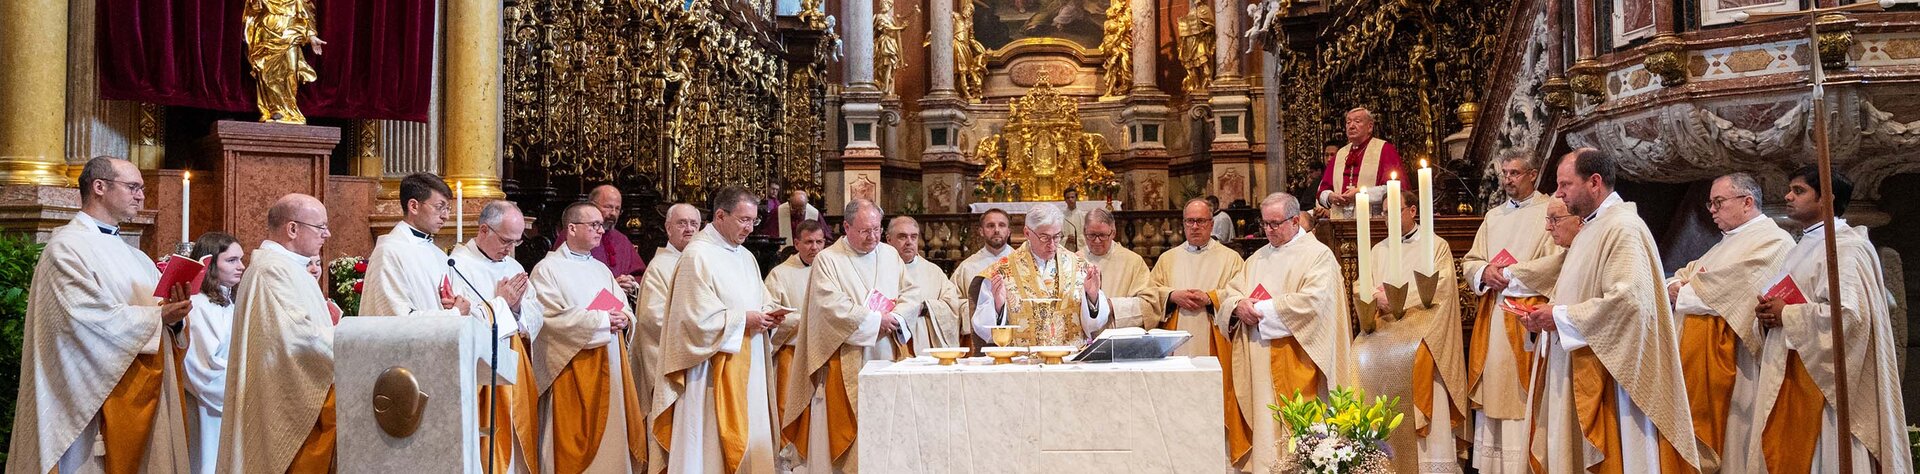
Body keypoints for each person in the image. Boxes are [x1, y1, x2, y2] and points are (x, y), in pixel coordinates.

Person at [1507, 148, 1704, 473]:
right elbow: (1571, 287)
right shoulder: (1594, 227)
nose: (1558, 193)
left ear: (1595, 182)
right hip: (1583, 361)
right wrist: (1543, 317)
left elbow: (1628, 302)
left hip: (1614, 381)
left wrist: (1557, 317)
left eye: (1566, 184)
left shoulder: (1623, 228)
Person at [6, 156, 192, 474]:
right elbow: (81, 321)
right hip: (89, 406)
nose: (141, 196)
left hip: (139, 397)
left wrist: (174, 320)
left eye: (142, 189)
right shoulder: (65, 249)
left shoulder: (139, 258)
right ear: (99, 187)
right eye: (133, 187)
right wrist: (154, 320)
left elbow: (159, 320)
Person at [1748, 167, 1910, 473]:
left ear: (1828, 199)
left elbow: (1849, 317)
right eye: (1790, 189)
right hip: (1796, 371)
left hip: (1826, 386)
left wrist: (1787, 313)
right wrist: (1768, 314)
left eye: (1799, 191)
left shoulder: (1845, 248)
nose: (1788, 196)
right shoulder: (1805, 246)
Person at [1657, 173, 1792, 472]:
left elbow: (1740, 288)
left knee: (1735, 441)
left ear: (1747, 202)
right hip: (1701, 358)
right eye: (1710, 203)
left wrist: (1685, 291)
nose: (1712, 210)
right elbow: (1684, 273)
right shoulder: (1726, 243)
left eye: (1718, 202)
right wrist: (1673, 287)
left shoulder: (1773, 240)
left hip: (1737, 361)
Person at [1215, 192, 1353, 471]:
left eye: (1275, 223)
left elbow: (1314, 303)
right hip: (1259, 365)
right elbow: (1231, 292)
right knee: (1266, 437)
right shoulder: (1257, 258)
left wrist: (1259, 311)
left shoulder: (1318, 256)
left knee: (1300, 438)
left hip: (1298, 361)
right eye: (1264, 224)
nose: (1268, 230)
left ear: (1294, 220)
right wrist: (1237, 305)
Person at [652, 186, 783, 474]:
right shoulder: (697, 256)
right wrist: (743, 320)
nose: (749, 227)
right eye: (743, 219)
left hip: (750, 364)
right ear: (720, 215)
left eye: (753, 220)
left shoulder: (746, 257)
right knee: (707, 446)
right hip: (708, 371)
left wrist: (770, 312)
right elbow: (693, 320)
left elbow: (759, 298)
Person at [780, 200, 916, 472]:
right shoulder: (828, 260)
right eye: (865, 230)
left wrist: (898, 317)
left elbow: (910, 293)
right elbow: (830, 307)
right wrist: (876, 320)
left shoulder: (889, 255)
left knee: (887, 426)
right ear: (846, 227)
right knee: (846, 431)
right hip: (845, 359)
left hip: (887, 353)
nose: (873, 237)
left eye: (877, 229)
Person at [218, 193, 337, 473]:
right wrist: (352, 342)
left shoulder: (288, 267)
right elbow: (298, 338)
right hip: (285, 407)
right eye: (321, 227)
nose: (327, 234)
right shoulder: (271, 270)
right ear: (293, 229)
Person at [1457, 153, 1559, 473]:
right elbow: (1470, 260)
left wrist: (1511, 276)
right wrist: (1485, 272)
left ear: (1533, 174)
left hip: (1527, 314)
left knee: (1522, 397)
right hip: (1495, 317)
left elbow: (1557, 261)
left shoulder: (1550, 212)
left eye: (1515, 173)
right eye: (1505, 173)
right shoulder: (1493, 217)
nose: (1508, 179)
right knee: (1494, 396)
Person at [1352, 191, 1468, 473]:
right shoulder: (1378, 250)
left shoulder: (1436, 246)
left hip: (1424, 330)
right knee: (1357, 357)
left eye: (1393, 211)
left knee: (1419, 357)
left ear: (1413, 211)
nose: (1386, 219)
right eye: (1383, 213)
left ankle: (1428, 462)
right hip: (1383, 330)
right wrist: (1372, 296)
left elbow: (1440, 289)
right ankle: (1380, 458)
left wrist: (1394, 299)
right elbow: (1360, 285)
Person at [530, 202, 646, 472]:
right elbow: (549, 320)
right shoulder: (548, 270)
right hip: (572, 368)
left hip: (611, 363)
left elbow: (624, 309)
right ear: (571, 228)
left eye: (601, 225)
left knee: (613, 443)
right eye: (593, 225)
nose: (601, 231)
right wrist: (602, 320)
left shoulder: (600, 269)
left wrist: (625, 319)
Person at [449, 200, 542, 474]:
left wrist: (516, 309)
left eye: (516, 242)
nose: (510, 249)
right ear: (484, 230)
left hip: (514, 366)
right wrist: (501, 304)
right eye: (505, 240)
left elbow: (537, 313)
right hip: (480, 376)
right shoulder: (457, 266)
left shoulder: (513, 266)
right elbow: (460, 322)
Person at [970, 203, 1110, 346]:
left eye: (1056, 236)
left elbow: (1095, 325)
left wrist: (1092, 298)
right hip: (1022, 362)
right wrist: (998, 307)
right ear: (1027, 233)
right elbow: (984, 331)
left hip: (1070, 361)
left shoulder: (1081, 267)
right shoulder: (1000, 272)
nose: (1052, 244)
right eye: (1044, 237)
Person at [632, 203, 701, 468]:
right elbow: (653, 318)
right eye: (682, 223)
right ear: (668, 227)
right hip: (674, 361)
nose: (689, 229)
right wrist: (698, 335)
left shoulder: (698, 261)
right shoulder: (660, 266)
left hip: (696, 361)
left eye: (694, 224)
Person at [359, 172, 471, 318]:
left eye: (447, 208)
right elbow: (396, 317)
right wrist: (454, 314)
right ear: (413, 206)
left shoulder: (440, 255)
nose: (446, 216)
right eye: (439, 207)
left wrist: (455, 303)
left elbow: (458, 302)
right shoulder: (389, 252)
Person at [763, 218, 826, 468]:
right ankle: (790, 457)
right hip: (792, 351)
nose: (814, 247)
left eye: (819, 241)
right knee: (788, 405)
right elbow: (769, 311)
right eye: (808, 242)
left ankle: (816, 454)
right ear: (796, 243)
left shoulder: (831, 270)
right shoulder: (780, 274)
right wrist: (807, 321)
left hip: (823, 351)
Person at [1151, 198, 1245, 356]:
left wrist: (1210, 298)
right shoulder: (1167, 258)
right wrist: (1172, 296)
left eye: (1201, 221)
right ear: (1183, 224)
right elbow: (1150, 293)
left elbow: (1240, 295)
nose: (1195, 227)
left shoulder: (1231, 258)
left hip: (1215, 338)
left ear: (1212, 224)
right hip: (1175, 339)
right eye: (1190, 221)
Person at [183, 232, 244, 474]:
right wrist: (244, 387)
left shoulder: (229, 301)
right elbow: (202, 368)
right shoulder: (198, 306)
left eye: (241, 259)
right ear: (209, 264)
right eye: (231, 260)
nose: (241, 266)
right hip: (209, 406)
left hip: (229, 404)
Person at [889, 216, 969, 348]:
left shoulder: (934, 272)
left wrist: (926, 308)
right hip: (889, 342)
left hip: (924, 344)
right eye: (902, 237)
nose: (909, 242)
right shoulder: (879, 269)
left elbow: (952, 304)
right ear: (889, 240)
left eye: (913, 237)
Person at [1078, 208, 1164, 330]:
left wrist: (1111, 305)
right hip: (1082, 341)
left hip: (1119, 341)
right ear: (1084, 231)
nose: (1097, 241)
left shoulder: (1133, 261)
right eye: (1091, 235)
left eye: (1102, 235)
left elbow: (1150, 306)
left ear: (1113, 233)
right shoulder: (1074, 261)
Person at [550, 185, 648, 285]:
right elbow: (568, 278)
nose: (613, 213)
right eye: (608, 207)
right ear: (592, 205)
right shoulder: (574, 235)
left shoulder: (622, 240)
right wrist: (612, 287)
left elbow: (640, 275)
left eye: (617, 209)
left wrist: (631, 283)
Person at [1317, 108, 1407, 216]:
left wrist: (1362, 193)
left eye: (1357, 121)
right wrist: (1330, 197)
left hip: (1374, 222)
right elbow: (1322, 191)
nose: (1351, 126)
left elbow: (1397, 188)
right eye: (1348, 122)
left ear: (1370, 126)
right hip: (1339, 224)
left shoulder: (1385, 150)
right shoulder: (1340, 154)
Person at [950, 208, 1015, 343]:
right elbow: (951, 302)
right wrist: (978, 307)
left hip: (1016, 338)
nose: (996, 230)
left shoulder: (1022, 263)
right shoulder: (967, 267)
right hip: (977, 341)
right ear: (981, 231)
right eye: (990, 226)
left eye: (1002, 225)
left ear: (1009, 231)